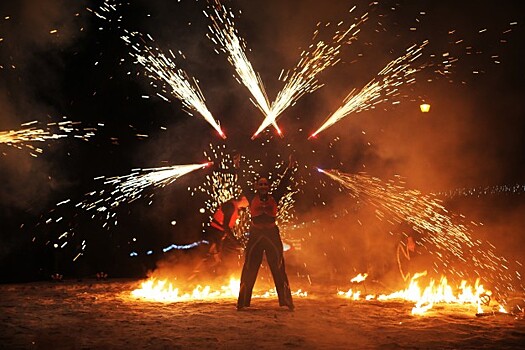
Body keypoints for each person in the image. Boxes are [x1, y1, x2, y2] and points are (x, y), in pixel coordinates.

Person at [234, 153, 295, 311]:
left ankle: (286, 302)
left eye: (265, 185)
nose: (262, 187)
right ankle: (243, 303)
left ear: (268, 187)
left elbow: (284, 183)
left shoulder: (275, 196)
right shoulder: (251, 196)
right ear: (256, 187)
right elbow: (241, 182)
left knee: (279, 267)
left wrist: (290, 168)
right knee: (249, 267)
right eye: (260, 184)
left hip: (271, 234)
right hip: (255, 235)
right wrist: (237, 167)